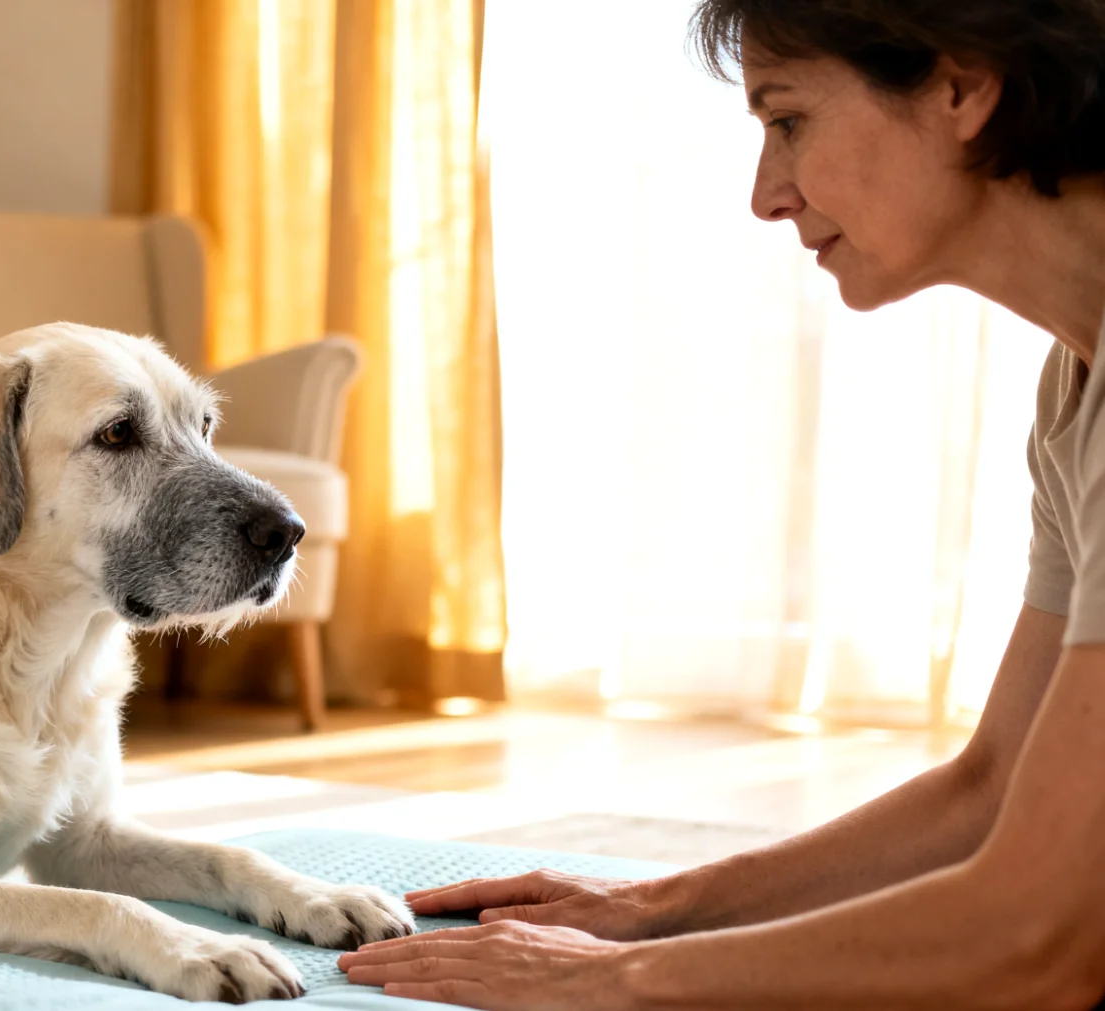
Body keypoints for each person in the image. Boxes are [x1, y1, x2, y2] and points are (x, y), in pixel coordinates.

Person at [337, 2, 1105, 1008]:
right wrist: (657, 907)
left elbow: (1038, 937)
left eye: (788, 121)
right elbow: (992, 787)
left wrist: (620, 979)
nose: (765, 194)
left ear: (960, 89)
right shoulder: (1075, 388)